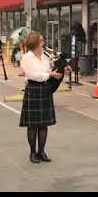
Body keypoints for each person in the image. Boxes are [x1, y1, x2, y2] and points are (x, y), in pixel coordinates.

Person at [19, 31, 63, 164]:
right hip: (33, 89)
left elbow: (51, 68)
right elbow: (33, 75)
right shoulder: (27, 57)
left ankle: (41, 152)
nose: (43, 43)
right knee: (32, 126)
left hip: (44, 89)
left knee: (43, 125)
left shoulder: (44, 56)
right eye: (42, 40)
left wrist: (61, 69)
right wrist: (50, 75)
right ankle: (32, 153)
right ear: (35, 43)